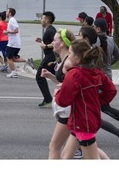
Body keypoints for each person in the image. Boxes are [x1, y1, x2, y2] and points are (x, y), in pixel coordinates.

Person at [55, 39, 117, 159]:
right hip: (84, 120)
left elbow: (62, 101)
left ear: (77, 58)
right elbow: (111, 90)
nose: (68, 56)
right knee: (66, 156)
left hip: (83, 124)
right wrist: (96, 102)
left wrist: (58, 93)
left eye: (70, 53)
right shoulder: (95, 72)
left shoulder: (75, 75)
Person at [79, 25, 119, 155]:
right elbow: (118, 56)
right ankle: (82, 144)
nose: (78, 37)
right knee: (91, 115)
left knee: (92, 116)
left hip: (95, 85)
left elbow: (87, 71)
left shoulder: (89, 52)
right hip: (100, 81)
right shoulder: (97, 46)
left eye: (80, 35)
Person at [40, 28, 76, 159]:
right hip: (67, 109)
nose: (52, 43)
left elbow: (74, 83)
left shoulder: (69, 62)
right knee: (87, 146)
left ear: (61, 44)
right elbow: (64, 81)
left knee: (54, 147)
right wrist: (51, 77)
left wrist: (62, 87)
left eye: (54, 40)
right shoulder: (64, 60)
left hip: (68, 110)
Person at [33, 11, 57, 108]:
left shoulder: (50, 31)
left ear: (47, 20)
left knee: (40, 76)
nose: (41, 20)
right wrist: (41, 41)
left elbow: (56, 42)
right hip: (51, 56)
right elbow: (51, 42)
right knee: (59, 76)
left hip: (50, 56)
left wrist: (45, 45)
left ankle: (48, 99)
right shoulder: (49, 30)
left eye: (42, 18)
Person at [4, 8, 26, 78]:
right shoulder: (12, 20)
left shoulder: (12, 20)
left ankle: (14, 72)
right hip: (15, 43)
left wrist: (7, 32)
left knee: (8, 58)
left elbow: (16, 30)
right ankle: (27, 60)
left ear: (10, 13)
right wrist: (7, 33)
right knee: (12, 58)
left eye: (7, 11)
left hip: (13, 44)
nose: (6, 12)